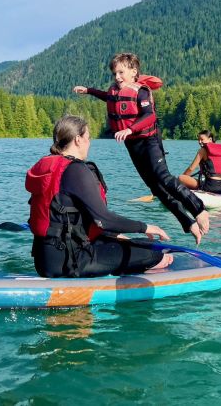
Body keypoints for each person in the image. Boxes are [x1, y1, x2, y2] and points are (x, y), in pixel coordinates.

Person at [73, 52, 209, 245]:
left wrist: (129, 129)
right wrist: (88, 90)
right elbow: (108, 97)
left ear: (133, 71)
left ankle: (199, 210)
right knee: (155, 188)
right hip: (133, 143)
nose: (117, 77)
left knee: (163, 178)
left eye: (121, 72)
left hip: (149, 141)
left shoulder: (141, 91)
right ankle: (188, 223)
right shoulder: (116, 91)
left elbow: (150, 116)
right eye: (114, 73)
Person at [26, 115, 173, 278]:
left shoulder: (47, 165)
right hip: (71, 262)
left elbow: (76, 220)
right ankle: (146, 266)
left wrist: (116, 236)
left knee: (140, 244)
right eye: (88, 138)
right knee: (153, 251)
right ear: (77, 140)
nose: (89, 143)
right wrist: (146, 227)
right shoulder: (76, 170)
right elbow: (104, 220)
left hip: (44, 260)